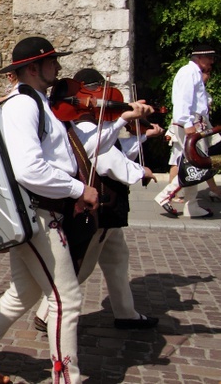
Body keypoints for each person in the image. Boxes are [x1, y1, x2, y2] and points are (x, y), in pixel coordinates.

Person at [0, 37, 99, 384]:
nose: (58, 68)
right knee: (67, 299)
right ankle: (67, 378)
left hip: (39, 210)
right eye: (52, 62)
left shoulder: (37, 103)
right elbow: (29, 169)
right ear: (33, 68)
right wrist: (79, 188)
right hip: (37, 213)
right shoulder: (24, 105)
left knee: (24, 292)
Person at [33, 68, 160, 332]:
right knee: (83, 265)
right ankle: (47, 313)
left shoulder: (99, 124)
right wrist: (139, 171)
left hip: (109, 206)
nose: (98, 102)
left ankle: (126, 312)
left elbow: (116, 149)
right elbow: (107, 159)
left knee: (116, 258)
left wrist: (141, 136)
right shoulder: (88, 125)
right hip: (101, 204)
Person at [154, 44, 216, 217]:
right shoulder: (189, 73)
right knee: (197, 163)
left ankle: (191, 205)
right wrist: (189, 125)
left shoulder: (193, 73)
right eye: (209, 57)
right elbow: (183, 101)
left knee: (192, 163)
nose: (211, 61)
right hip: (191, 124)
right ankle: (165, 195)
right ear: (199, 58)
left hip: (194, 122)